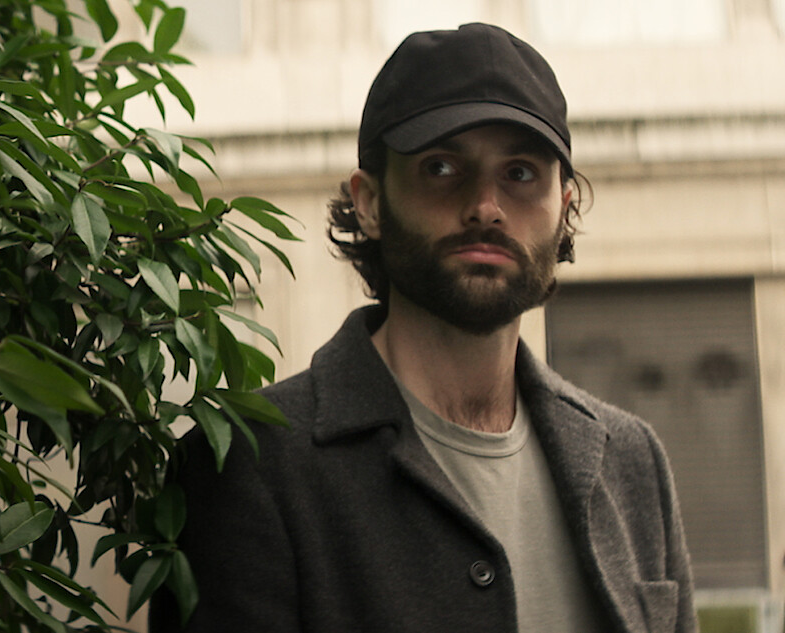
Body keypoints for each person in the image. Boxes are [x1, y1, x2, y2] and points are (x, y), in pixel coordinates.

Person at [150, 22, 697, 633]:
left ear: (564, 205)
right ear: (371, 202)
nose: (485, 206)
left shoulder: (632, 461)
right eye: (441, 168)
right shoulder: (251, 467)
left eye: (520, 174)